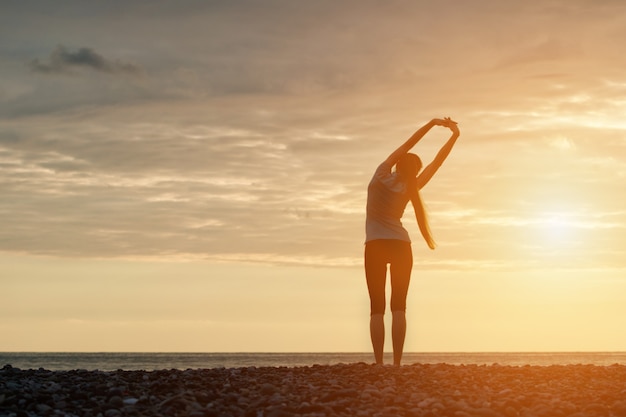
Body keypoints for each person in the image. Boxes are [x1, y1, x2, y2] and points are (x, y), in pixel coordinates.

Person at [364, 117, 460, 366]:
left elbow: (407, 144)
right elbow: (438, 161)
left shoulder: (380, 174)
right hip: (400, 246)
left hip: (375, 244)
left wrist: (432, 124)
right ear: (414, 171)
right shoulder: (412, 186)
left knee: (377, 307)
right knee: (399, 306)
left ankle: (378, 364)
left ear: (397, 165)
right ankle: (396, 364)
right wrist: (454, 135)